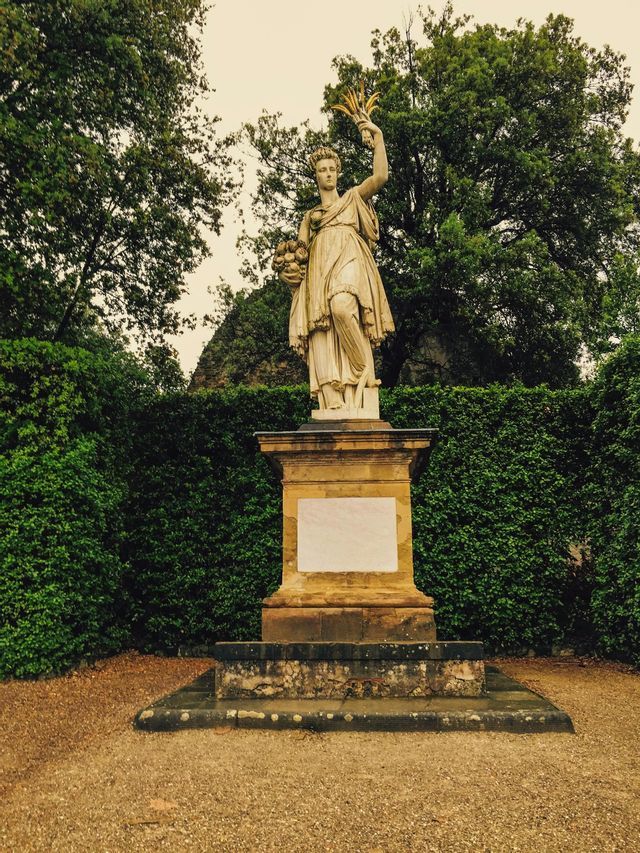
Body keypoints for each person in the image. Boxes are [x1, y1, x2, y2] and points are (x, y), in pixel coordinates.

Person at [280, 118, 394, 412]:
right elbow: (300, 258)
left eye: (332, 169)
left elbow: (380, 176)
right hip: (319, 268)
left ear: (338, 173)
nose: (327, 174)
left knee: (342, 307)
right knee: (322, 325)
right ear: (316, 176)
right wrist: (291, 272)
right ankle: (332, 395)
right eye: (322, 170)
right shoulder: (310, 217)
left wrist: (377, 138)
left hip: (349, 257)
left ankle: (361, 370)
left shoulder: (353, 198)